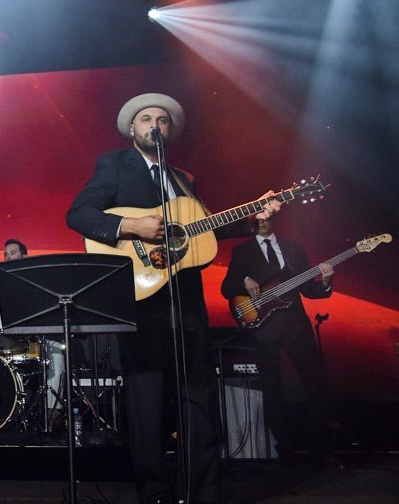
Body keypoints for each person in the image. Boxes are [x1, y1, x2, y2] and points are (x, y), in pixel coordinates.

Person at [67, 93, 280, 504]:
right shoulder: (114, 165)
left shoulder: (185, 179)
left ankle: (202, 491)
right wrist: (134, 226)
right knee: (146, 401)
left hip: (187, 302)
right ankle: (154, 493)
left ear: (169, 130)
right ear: (133, 129)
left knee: (199, 398)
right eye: (146, 119)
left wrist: (254, 221)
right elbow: (79, 215)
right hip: (141, 301)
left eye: (162, 121)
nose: (154, 125)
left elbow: (200, 233)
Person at [220, 215, 334, 468]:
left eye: (266, 216)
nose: (261, 221)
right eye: (257, 217)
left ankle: (319, 449)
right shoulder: (242, 251)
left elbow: (309, 290)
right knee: (271, 388)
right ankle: (286, 451)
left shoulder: (294, 248)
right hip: (263, 326)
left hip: (296, 325)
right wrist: (244, 281)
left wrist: (325, 283)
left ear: (274, 219)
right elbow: (227, 288)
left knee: (315, 383)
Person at [0, 240, 66, 419]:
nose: (8, 257)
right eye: (5, 254)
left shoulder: (37, 281)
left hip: (34, 339)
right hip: (4, 340)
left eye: (12, 253)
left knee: (55, 351)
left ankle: (52, 413)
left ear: (24, 257)